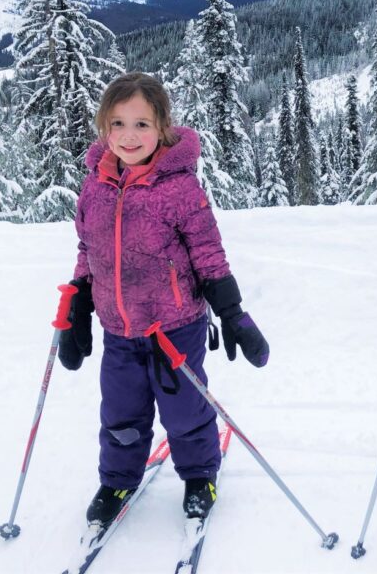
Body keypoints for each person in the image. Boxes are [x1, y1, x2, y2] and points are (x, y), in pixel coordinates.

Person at [57, 72, 269, 532]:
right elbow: (87, 248)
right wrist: (78, 304)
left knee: (185, 412)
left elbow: (208, 254)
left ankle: (199, 477)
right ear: (103, 127)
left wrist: (232, 313)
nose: (128, 137)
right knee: (120, 412)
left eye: (141, 124)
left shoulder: (179, 187)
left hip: (175, 325)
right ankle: (116, 481)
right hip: (119, 328)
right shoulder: (95, 184)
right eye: (117, 124)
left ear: (163, 127)